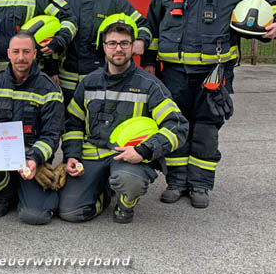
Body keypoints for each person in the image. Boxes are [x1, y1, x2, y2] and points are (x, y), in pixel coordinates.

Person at [143, 0, 276, 208]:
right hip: (172, 73)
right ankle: (176, 182)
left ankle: (200, 185)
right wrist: (149, 63)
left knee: (206, 130)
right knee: (176, 127)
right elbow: (152, 24)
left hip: (214, 72)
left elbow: (271, 4)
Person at [59, 20, 188, 223]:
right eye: (112, 43)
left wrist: (143, 151)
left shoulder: (150, 85)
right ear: (104, 47)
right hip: (93, 156)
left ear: (132, 47)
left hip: (130, 157)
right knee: (70, 213)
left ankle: (125, 204)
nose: (118, 48)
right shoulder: (89, 83)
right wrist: (72, 156)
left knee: (130, 181)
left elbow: (177, 126)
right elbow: (73, 123)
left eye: (124, 43)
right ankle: (103, 193)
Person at [0, 32, 64, 224]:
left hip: (32, 160)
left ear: (34, 54)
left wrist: (34, 159)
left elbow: (52, 135)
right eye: (16, 52)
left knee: (35, 216)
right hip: (2, 156)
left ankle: (35, 193)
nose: (21, 57)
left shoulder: (50, 90)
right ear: (8, 54)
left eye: (26, 52)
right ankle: (5, 193)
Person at [58, 0, 152, 105]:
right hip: (65, 80)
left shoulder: (114, 1)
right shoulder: (62, 0)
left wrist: (141, 40)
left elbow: (142, 23)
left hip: (102, 78)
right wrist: (52, 71)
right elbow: (50, 38)